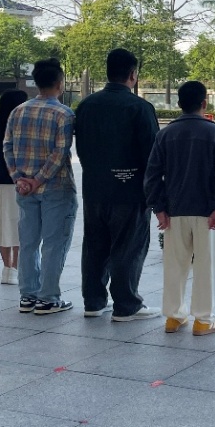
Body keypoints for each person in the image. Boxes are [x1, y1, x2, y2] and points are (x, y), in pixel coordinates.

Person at [73, 48, 161, 321]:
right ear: (133, 74)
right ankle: (126, 304)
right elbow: (152, 155)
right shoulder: (140, 108)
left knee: (95, 245)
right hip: (130, 190)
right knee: (128, 246)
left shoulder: (86, 105)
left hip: (94, 188)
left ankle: (93, 301)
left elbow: (82, 148)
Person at [144, 80, 215, 336]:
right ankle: (203, 320)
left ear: (179, 103)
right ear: (204, 103)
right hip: (207, 211)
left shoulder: (165, 134)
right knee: (205, 265)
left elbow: (152, 175)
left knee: (174, 265)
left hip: (174, 211)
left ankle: (174, 317)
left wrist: (159, 207)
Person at [3, 59, 77, 314]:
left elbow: (7, 147)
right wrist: (39, 179)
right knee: (55, 244)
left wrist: (19, 178)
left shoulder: (18, 111)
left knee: (28, 242)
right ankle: (48, 298)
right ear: (60, 83)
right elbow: (60, 152)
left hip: (24, 189)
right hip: (56, 187)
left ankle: (28, 295)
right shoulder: (64, 114)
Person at [0, 89, 28, 284]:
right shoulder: (22, 126)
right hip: (18, 179)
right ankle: (16, 268)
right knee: (19, 223)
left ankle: (6, 268)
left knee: (2, 224)